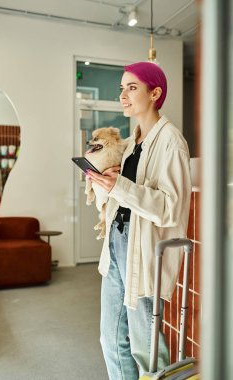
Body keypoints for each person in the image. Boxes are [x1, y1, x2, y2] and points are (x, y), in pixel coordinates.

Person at [86, 62, 192, 379]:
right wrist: (103, 184)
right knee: (111, 338)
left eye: (132, 87)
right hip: (119, 242)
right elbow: (122, 197)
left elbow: (171, 207)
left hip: (145, 251)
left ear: (155, 93)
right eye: (122, 88)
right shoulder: (131, 145)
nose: (123, 95)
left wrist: (120, 186)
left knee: (146, 347)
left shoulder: (171, 141)